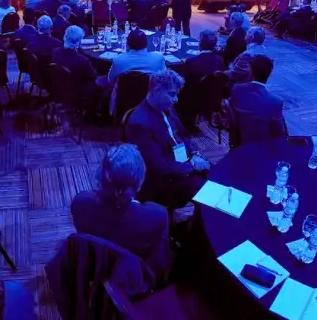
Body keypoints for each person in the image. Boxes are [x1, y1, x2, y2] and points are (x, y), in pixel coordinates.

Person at [71, 144, 172, 280]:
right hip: (133, 277)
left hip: (96, 267)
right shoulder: (157, 215)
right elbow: (160, 261)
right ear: (139, 184)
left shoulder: (80, 203)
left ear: (101, 175)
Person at [126, 69, 208, 209]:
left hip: (181, 164)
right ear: (157, 91)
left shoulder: (166, 107)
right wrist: (193, 166)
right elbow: (160, 168)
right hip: (162, 182)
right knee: (209, 193)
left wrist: (195, 155)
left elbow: (183, 135)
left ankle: (199, 220)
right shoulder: (139, 123)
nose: (176, 99)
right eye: (172, 94)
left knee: (218, 176)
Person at [228, 55, 287, 141]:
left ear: (250, 72)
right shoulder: (276, 101)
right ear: (269, 74)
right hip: (262, 145)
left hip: (238, 141)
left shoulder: (236, 88)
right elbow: (279, 133)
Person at [51, 26, 100, 111]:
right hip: (76, 91)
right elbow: (94, 76)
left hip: (59, 87)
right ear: (78, 42)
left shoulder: (54, 52)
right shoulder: (82, 60)